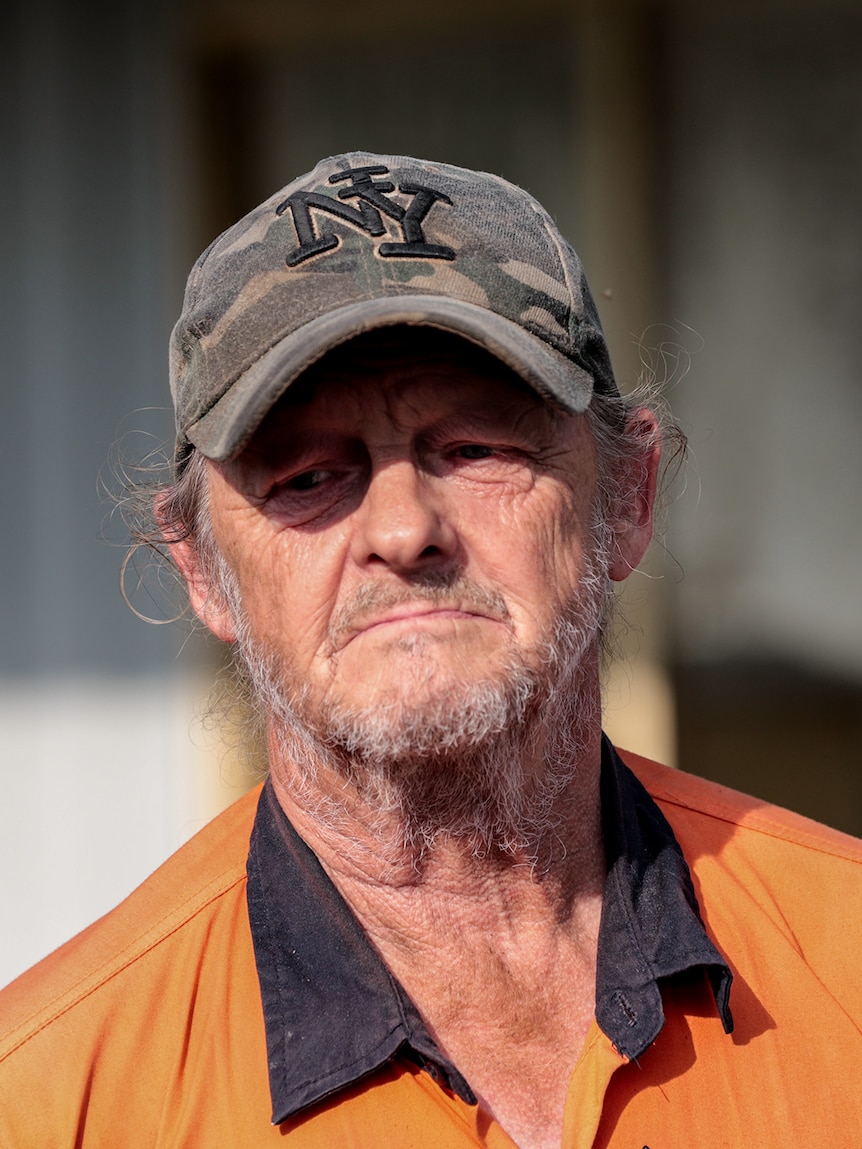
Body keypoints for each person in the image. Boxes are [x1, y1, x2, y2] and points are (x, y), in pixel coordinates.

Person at [1, 152, 860, 1149]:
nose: (403, 530)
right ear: (201, 569)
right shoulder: (54, 1102)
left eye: (476, 450)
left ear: (627, 500)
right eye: (310, 476)